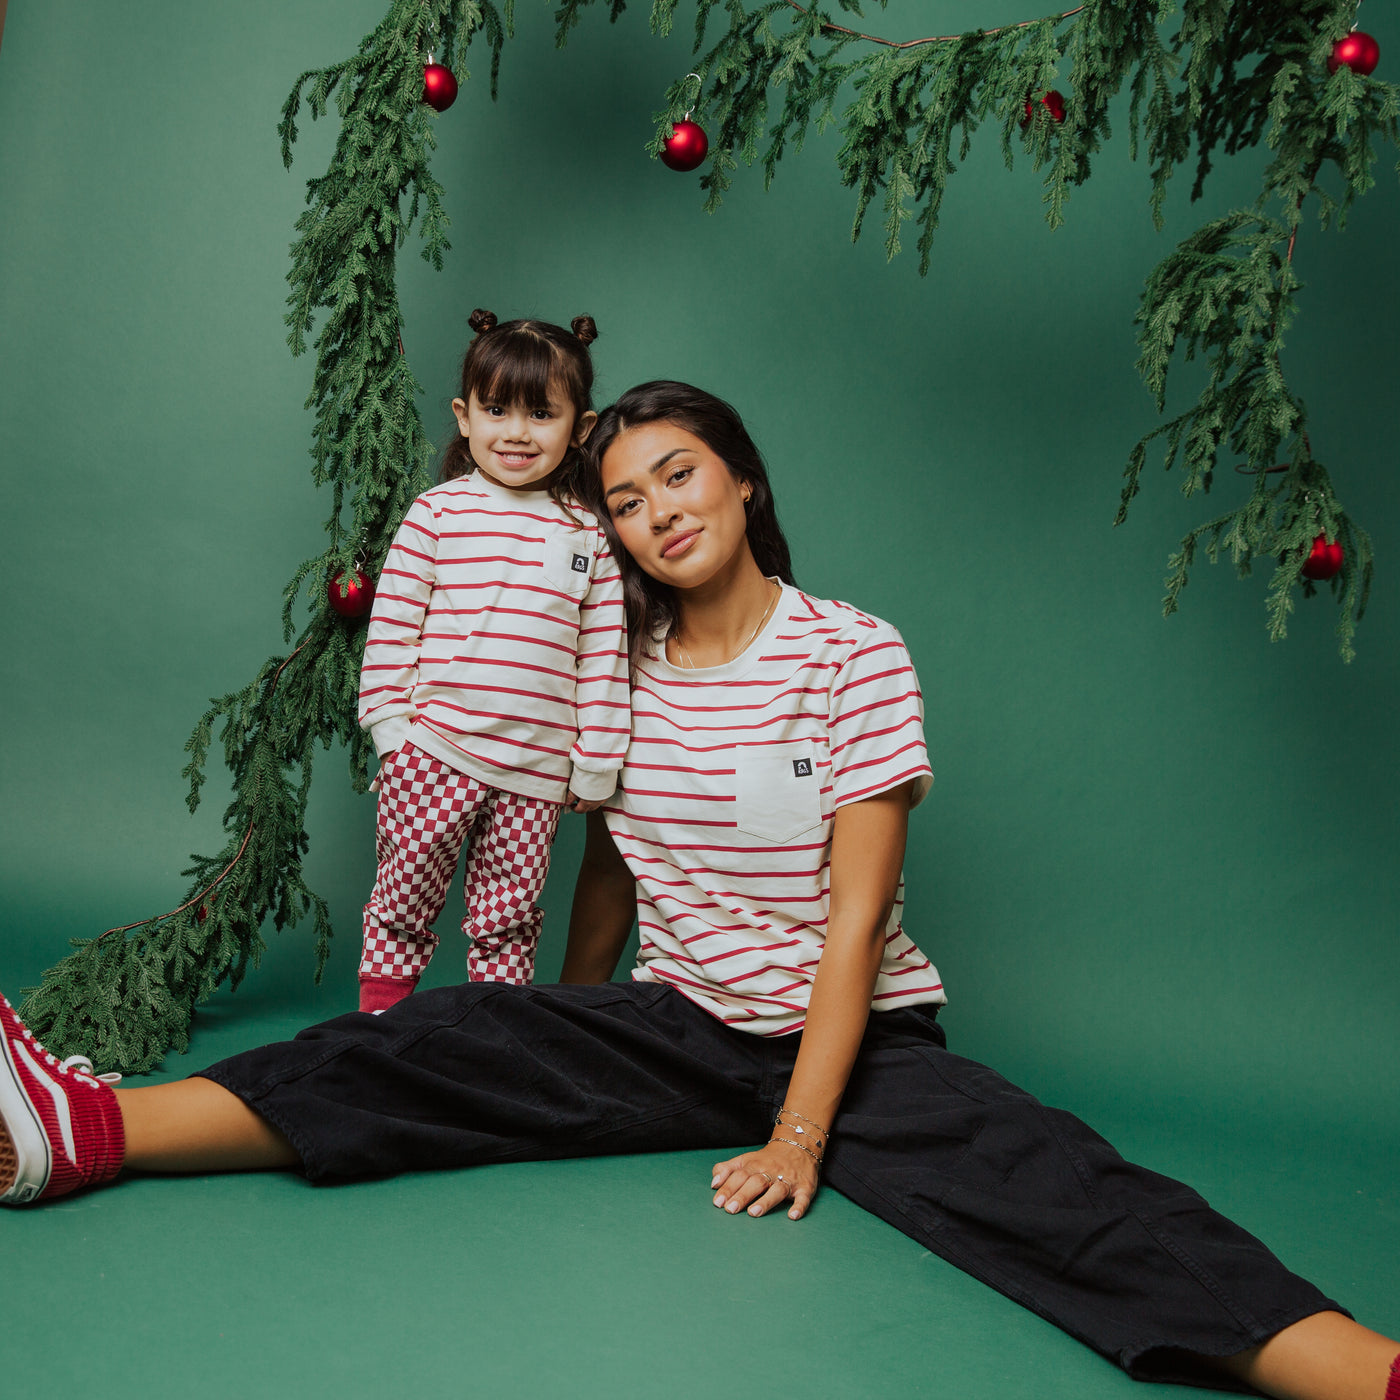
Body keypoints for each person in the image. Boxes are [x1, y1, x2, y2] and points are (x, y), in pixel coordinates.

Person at [1, 381, 1396, 1400]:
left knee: (1066, 1193)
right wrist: (559, 1024)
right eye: (622, 499)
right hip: (677, 1017)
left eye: (678, 475)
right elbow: (609, 862)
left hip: (854, 1038)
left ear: (742, 480)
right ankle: (79, 1131)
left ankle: (1367, 1372)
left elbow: (856, 918)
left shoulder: (851, 651)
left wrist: (801, 1133)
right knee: (425, 1046)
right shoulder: (620, 675)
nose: (655, 511)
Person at [354, 310, 629, 1012]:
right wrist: (393, 730)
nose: (516, 431)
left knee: (508, 918)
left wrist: (595, 758)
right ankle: (377, 1032)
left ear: (582, 427)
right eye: (497, 409)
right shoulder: (437, 514)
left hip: (535, 772)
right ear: (465, 415)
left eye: (541, 413)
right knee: (404, 896)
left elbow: (602, 653)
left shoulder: (587, 535)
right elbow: (393, 627)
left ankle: (491, 1040)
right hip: (436, 751)